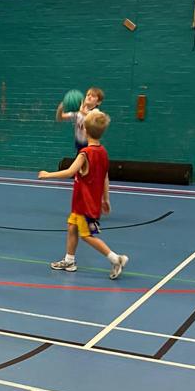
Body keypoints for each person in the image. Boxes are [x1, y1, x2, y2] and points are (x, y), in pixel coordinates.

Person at [38, 110, 128, 279]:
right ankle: (69, 260)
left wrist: (47, 174)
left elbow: (69, 172)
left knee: (87, 235)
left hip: (85, 204)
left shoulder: (85, 153)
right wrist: (106, 198)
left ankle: (116, 259)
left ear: (85, 131)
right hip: (83, 202)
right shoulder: (103, 152)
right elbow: (105, 177)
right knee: (72, 226)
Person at [56, 87, 104, 154]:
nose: (89, 97)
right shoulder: (78, 113)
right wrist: (61, 107)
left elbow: (97, 117)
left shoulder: (96, 112)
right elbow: (60, 118)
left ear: (98, 102)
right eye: (88, 95)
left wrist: (82, 112)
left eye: (93, 96)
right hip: (79, 144)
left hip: (91, 146)